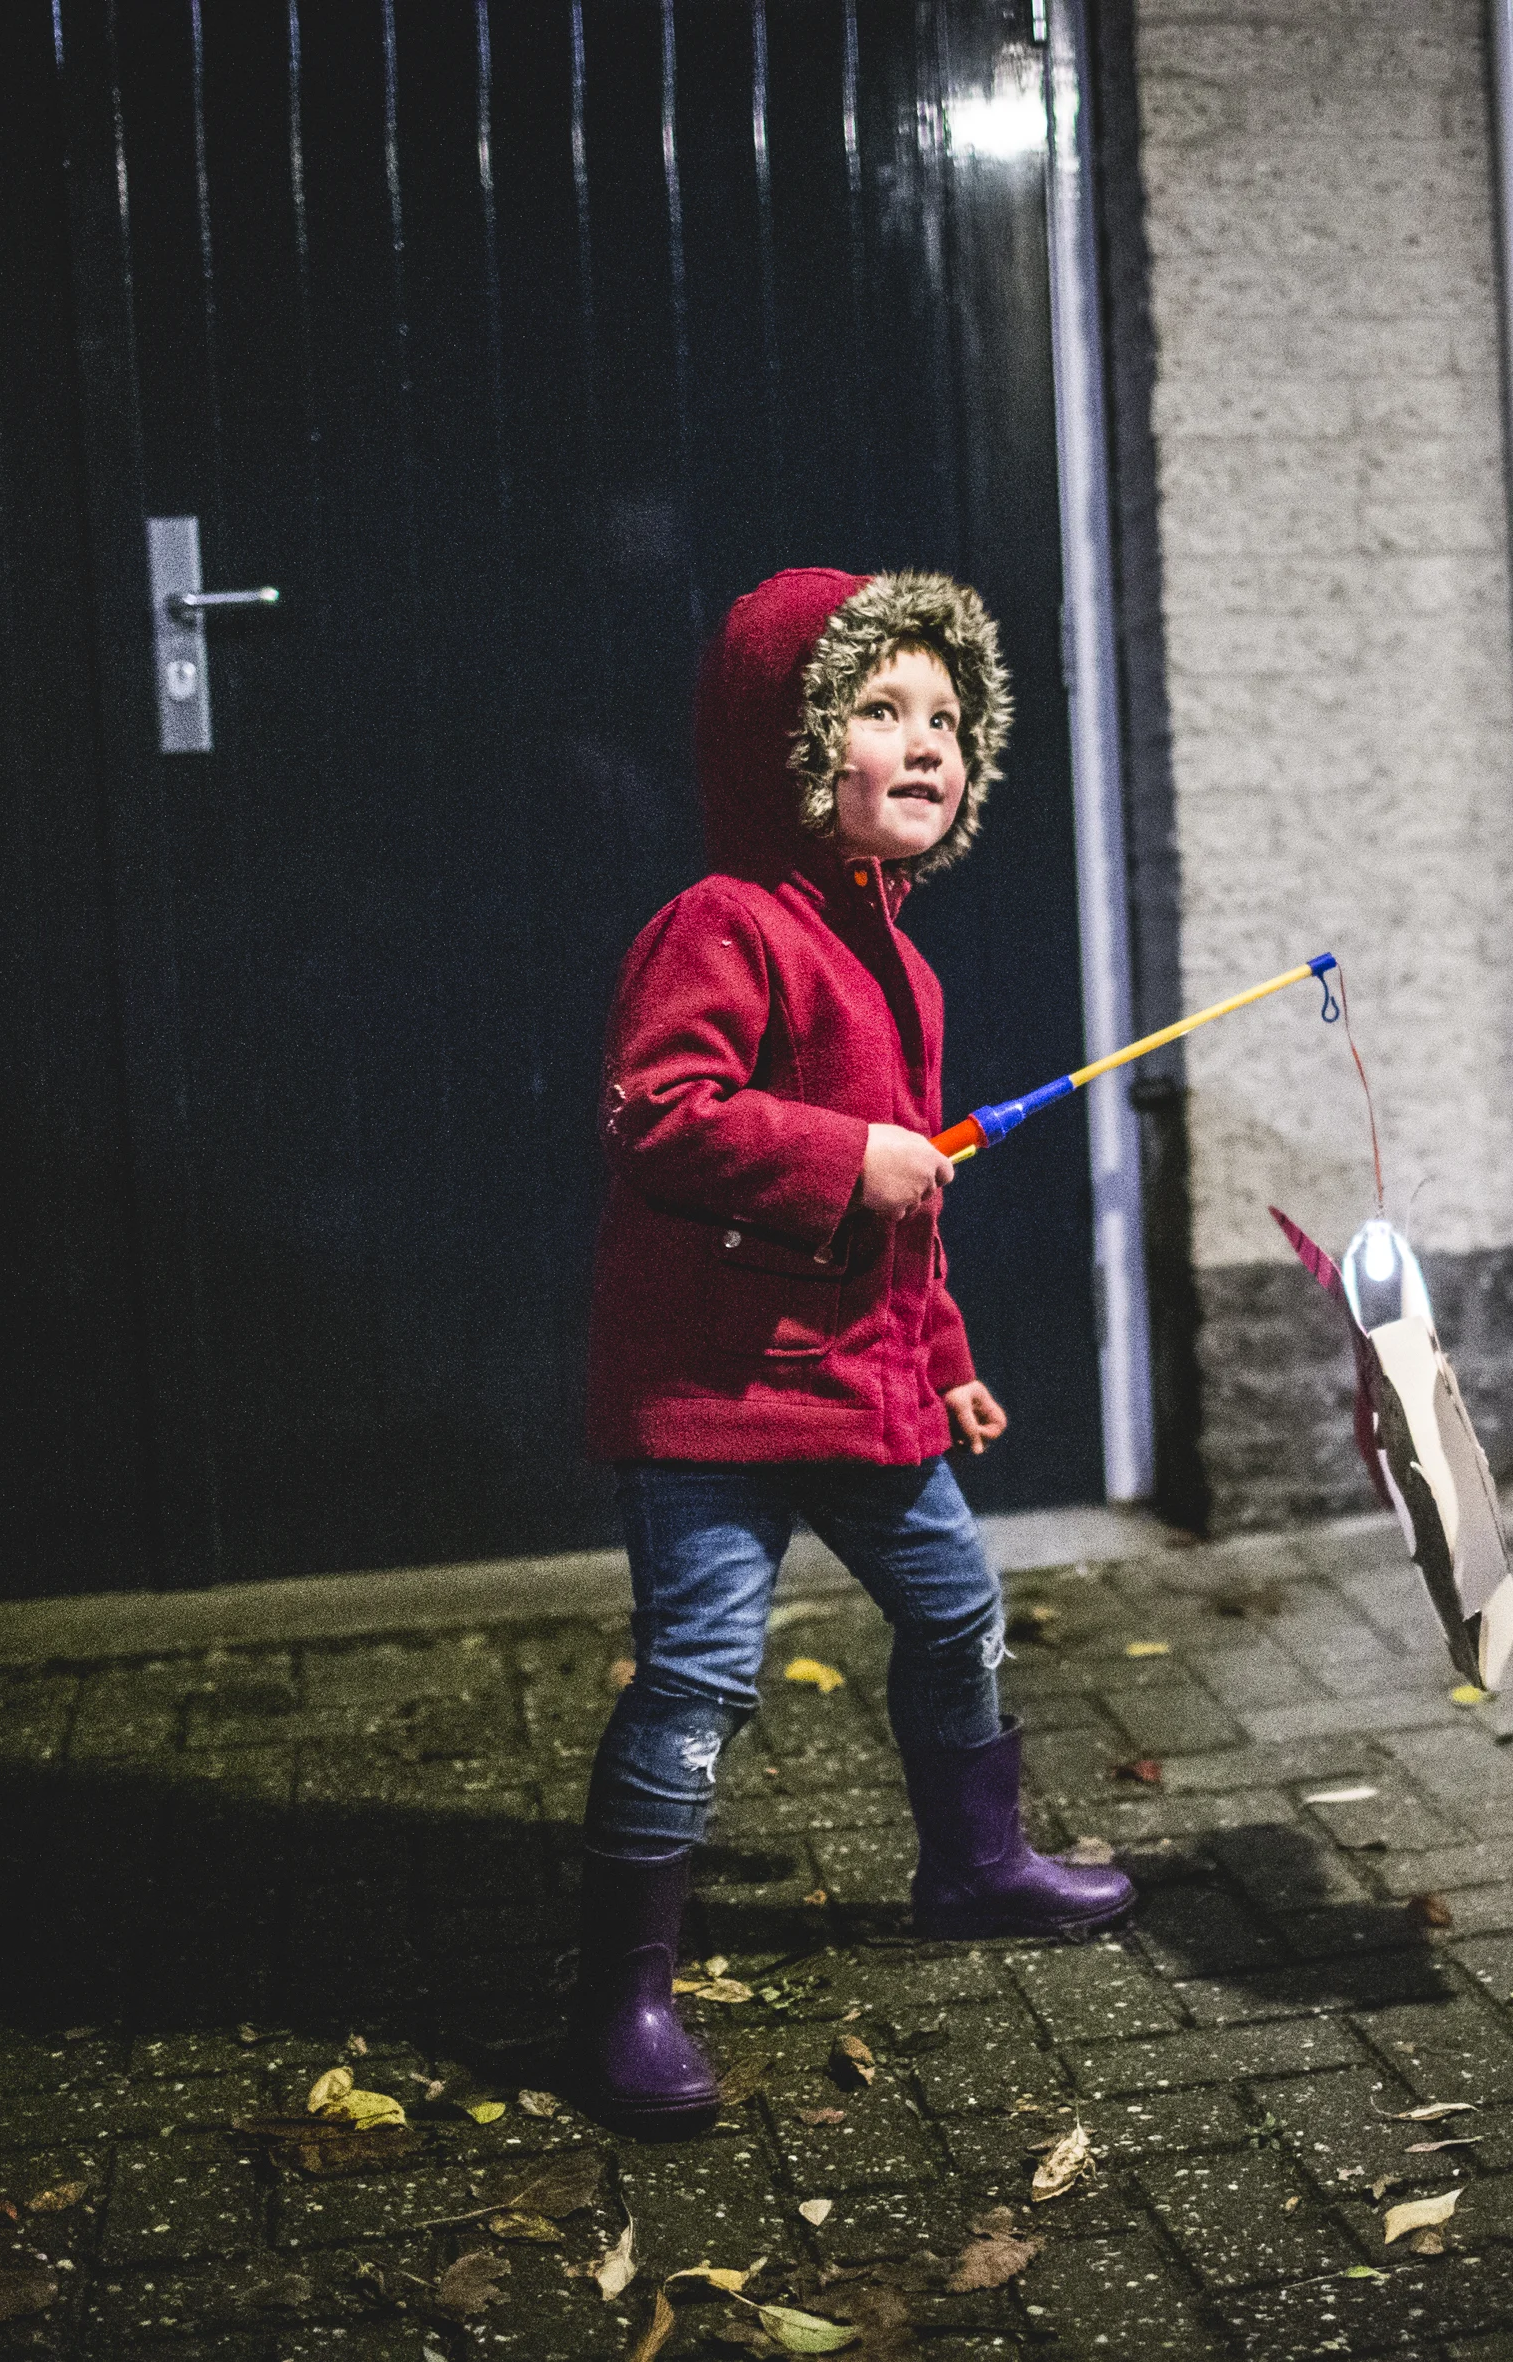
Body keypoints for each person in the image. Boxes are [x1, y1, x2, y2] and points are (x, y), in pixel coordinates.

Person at [560, 568, 1134, 2140]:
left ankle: (973, 1861)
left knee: (959, 1611)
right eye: (882, 710)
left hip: (861, 1381)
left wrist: (939, 1349)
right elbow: (657, 1111)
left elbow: (916, 1206)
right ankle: (624, 1988)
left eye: (947, 717)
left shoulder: (906, 960)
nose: (927, 744)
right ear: (793, 745)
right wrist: (837, 1153)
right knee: (697, 1673)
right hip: (712, 1392)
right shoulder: (720, 924)